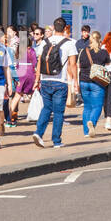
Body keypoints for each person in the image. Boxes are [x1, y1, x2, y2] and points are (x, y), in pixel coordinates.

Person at [33, 18, 78, 149]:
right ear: (65, 28)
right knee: (58, 112)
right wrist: (76, 82)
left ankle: (38, 133)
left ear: (53, 27)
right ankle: (56, 141)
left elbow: (40, 62)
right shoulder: (69, 43)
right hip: (60, 81)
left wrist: (37, 80)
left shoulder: (45, 42)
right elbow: (73, 64)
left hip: (45, 80)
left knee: (46, 108)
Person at [78, 32, 109, 136]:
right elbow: (108, 62)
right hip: (97, 82)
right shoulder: (103, 52)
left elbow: (80, 65)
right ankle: (92, 121)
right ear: (100, 39)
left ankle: (86, 132)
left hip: (83, 81)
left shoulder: (83, 51)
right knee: (97, 106)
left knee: (87, 106)